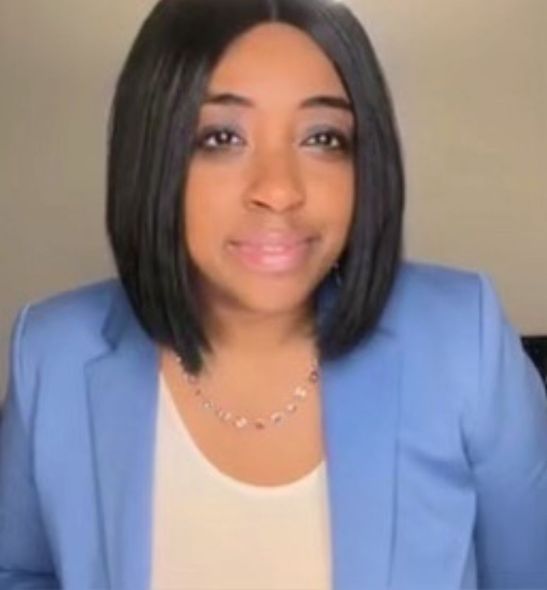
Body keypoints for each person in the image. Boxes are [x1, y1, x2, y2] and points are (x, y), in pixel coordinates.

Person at [1, 0, 546, 588]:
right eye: (222, 137)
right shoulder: (52, 356)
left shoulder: (466, 343)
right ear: (152, 153)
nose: (280, 190)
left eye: (322, 138)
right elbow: (19, 570)